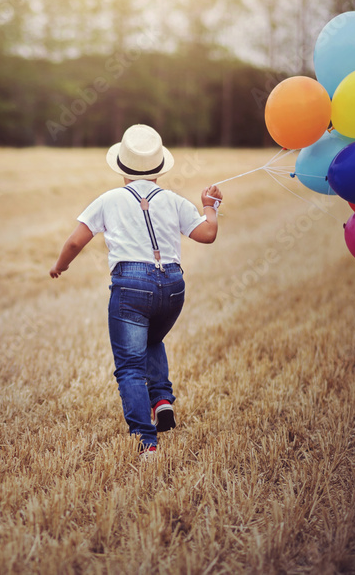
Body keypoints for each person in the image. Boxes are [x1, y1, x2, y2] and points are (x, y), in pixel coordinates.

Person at [49, 124, 223, 461]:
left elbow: (74, 241)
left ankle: (147, 442)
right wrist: (211, 205)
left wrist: (61, 266)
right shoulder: (173, 201)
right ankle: (161, 400)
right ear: (159, 168)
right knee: (152, 340)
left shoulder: (109, 200)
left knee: (129, 367)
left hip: (130, 285)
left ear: (122, 167)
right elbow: (207, 234)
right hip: (172, 287)